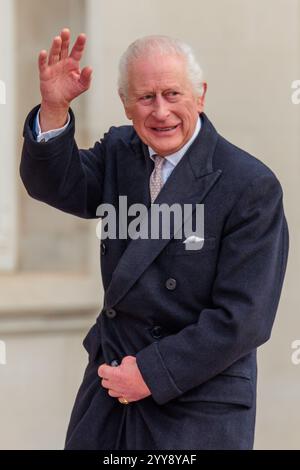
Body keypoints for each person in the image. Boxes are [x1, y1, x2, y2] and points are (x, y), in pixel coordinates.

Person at [20, 29, 289, 450]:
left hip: (195, 400)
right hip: (110, 390)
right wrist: (54, 108)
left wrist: (150, 373)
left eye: (172, 94)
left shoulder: (250, 185)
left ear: (200, 96)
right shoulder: (119, 152)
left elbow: (244, 318)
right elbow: (55, 184)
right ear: (127, 105)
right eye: (146, 98)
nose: (161, 111)